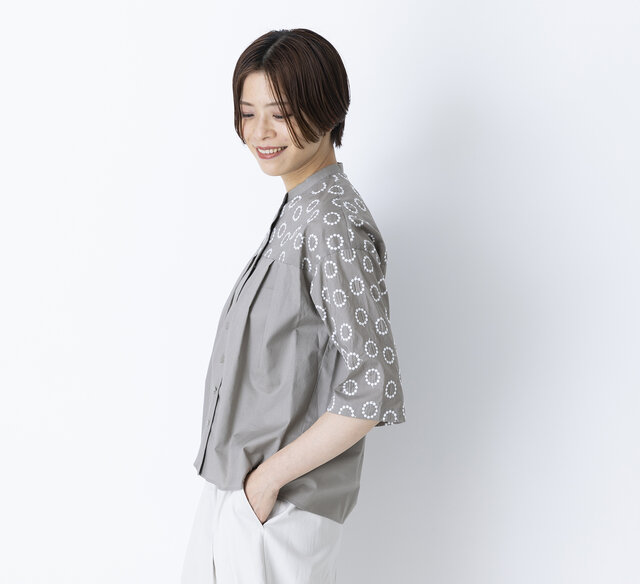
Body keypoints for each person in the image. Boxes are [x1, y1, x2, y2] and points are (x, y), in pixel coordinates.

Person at [181, 28, 407, 584]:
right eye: (247, 113)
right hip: (242, 497)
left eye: (279, 114)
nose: (260, 132)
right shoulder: (300, 208)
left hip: (275, 509)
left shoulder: (332, 223)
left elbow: (372, 388)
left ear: (327, 110)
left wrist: (265, 484)